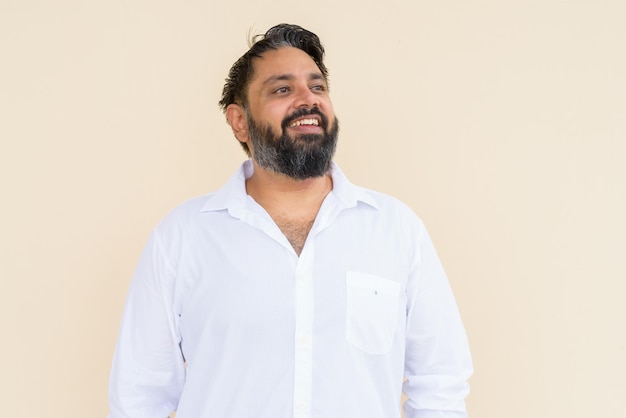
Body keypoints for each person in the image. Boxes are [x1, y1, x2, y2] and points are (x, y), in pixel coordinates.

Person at [108, 23, 473, 418]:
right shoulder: (182, 237)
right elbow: (140, 396)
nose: (307, 100)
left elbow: (440, 384)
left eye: (317, 87)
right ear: (239, 121)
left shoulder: (396, 230)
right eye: (282, 89)